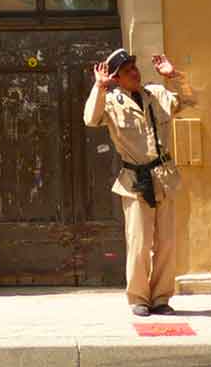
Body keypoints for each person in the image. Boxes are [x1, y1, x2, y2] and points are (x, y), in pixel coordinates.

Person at [84, 46, 196, 317]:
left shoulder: (156, 94)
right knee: (140, 243)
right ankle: (138, 298)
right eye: (125, 71)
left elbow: (190, 101)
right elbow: (90, 118)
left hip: (164, 179)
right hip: (135, 180)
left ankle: (161, 298)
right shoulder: (110, 102)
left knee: (167, 243)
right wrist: (99, 88)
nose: (133, 73)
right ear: (116, 79)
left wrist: (175, 76)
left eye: (133, 68)